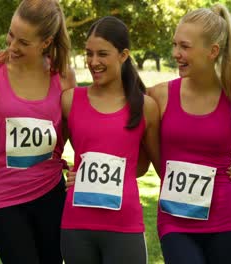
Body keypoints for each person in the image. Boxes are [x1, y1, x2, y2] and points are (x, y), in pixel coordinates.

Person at [0, 0, 76, 263]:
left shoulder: (64, 77)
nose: (12, 47)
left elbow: (75, 130)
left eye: (23, 42)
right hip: (4, 197)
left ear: (46, 42)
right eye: (11, 35)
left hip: (51, 192)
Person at [60, 16, 161, 264]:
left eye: (102, 54)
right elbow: (50, 154)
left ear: (123, 55)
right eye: (89, 53)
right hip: (76, 226)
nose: (94, 62)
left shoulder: (145, 107)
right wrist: (71, 173)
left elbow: (149, 165)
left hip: (124, 226)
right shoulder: (70, 100)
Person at [148, 4, 231, 264]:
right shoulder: (159, 95)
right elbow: (132, 148)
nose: (176, 53)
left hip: (227, 219)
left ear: (213, 51)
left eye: (185, 47)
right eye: (175, 45)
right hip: (174, 220)